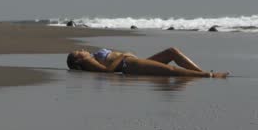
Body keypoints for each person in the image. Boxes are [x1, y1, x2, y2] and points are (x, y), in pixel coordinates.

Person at [66, 46, 229, 78]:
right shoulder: (89, 62)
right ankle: (209, 75)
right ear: (79, 59)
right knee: (171, 70)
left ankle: (201, 73)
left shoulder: (92, 57)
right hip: (128, 65)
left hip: (133, 62)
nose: (81, 50)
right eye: (78, 52)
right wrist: (123, 56)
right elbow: (108, 72)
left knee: (172, 52)